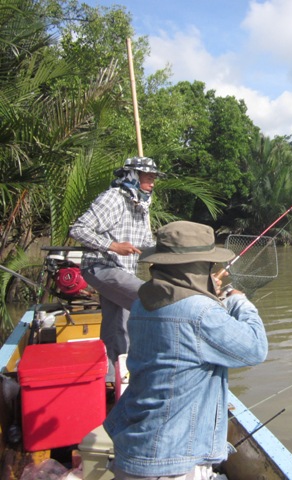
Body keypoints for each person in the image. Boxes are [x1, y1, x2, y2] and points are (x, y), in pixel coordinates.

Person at [104, 221, 268, 480]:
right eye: (207, 265)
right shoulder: (201, 313)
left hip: (134, 446)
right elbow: (256, 348)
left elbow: (181, 319)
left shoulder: (141, 304)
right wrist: (238, 300)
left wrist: (205, 292)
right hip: (168, 461)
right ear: (197, 267)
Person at [69, 156, 164, 381]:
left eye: (154, 179)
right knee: (151, 298)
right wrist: (113, 246)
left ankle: (111, 378)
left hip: (123, 271)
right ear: (133, 176)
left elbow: (145, 245)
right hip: (101, 267)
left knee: (116, 326)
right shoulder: (113, 199)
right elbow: (79, 229)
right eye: (148, 177)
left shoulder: (141, 207)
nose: (153, 183)